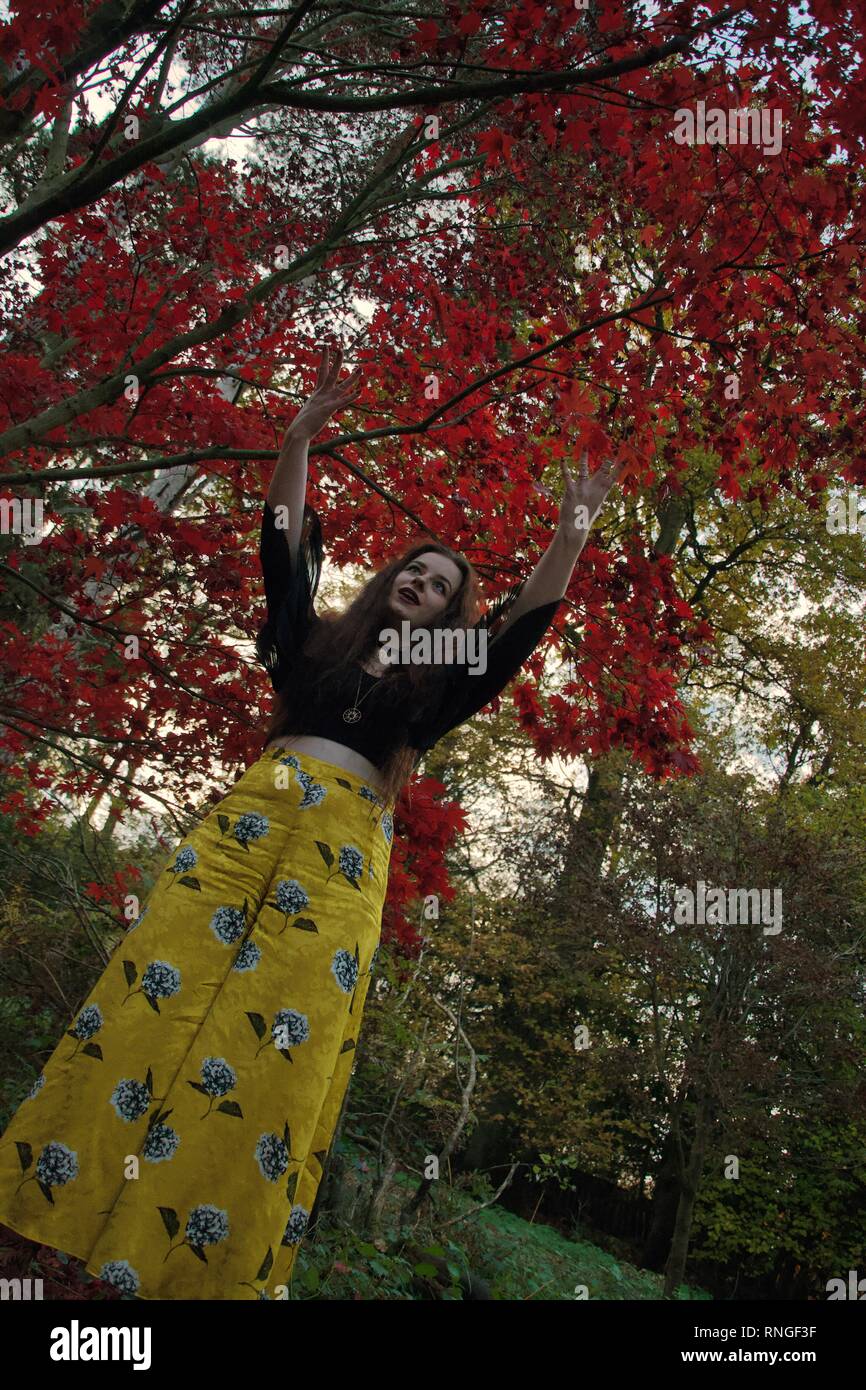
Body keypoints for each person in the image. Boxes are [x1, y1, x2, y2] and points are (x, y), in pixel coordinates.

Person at [0, 345, 623, 1301]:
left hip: (336, 864)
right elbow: (282, 548)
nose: (423, 584)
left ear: (454, 613)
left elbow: (521, 634)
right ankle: (59, 1218)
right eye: (413, 572)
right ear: (388, 584)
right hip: (242, 836)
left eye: (443, 586)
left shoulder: (437, 692)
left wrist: (571, 535)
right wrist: (296, 439)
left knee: (270, 1049)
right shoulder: (313, 646)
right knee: (148, 1003)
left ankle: (182, 1271)